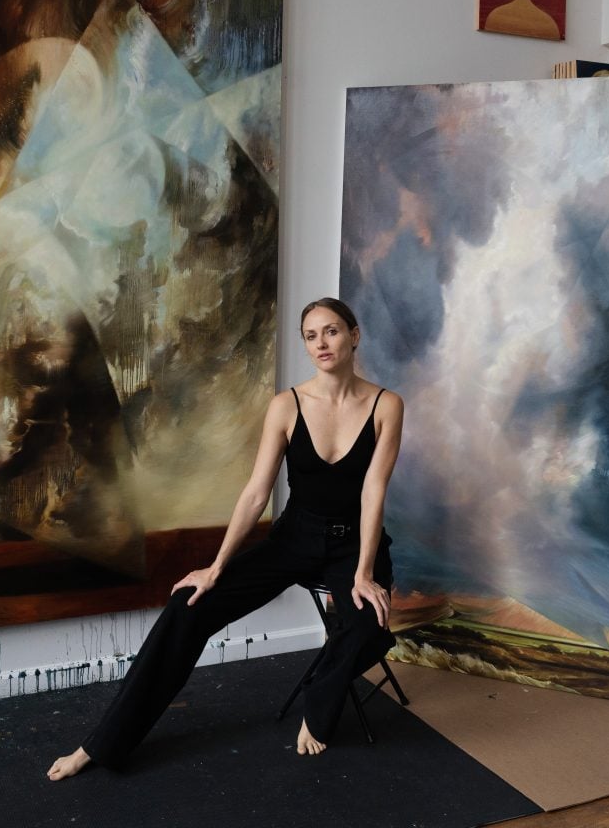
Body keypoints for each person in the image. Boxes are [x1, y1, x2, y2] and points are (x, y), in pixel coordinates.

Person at [47, 297, 403, 779]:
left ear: (354, 335)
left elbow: (373, 491)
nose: (322, 343)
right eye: (311, 335)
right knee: (187, 607)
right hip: (296, 537)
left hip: (355, 545)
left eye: (332, 331)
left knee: (369, 626)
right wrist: (216, 569)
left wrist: (363, 572)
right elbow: (257, 493)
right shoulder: (287, 406)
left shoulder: (386, 405)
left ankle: (318, 703)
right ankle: (101, 744)